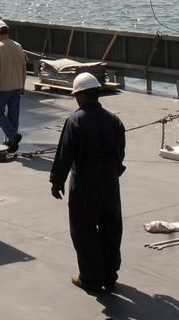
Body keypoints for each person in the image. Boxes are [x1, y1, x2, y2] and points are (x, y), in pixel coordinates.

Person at [50, 72, 126, 293]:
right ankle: (110, 275)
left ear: (81, 95)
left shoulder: (75, 121)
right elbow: (120, 153)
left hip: (84, 185)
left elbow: (65, 155)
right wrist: (113, 173)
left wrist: (57, 181)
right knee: (111, 228)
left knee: (84, 230)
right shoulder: (114, 120)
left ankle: (90, 278)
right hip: (110, 185)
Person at [0, 20, 26, 151]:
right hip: (17, 86)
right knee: (13, 116)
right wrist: (23, 85)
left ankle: (12, 135)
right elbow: (23, 68)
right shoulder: (18, 46)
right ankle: (11, 143)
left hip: (3, 88)